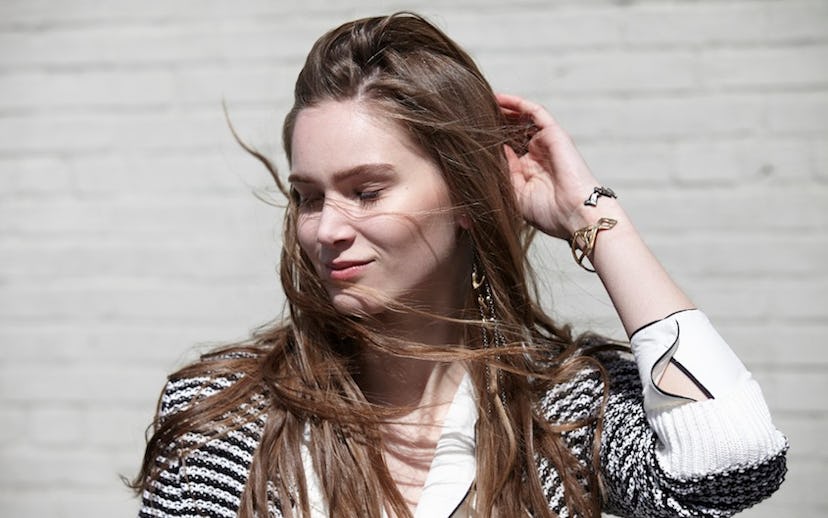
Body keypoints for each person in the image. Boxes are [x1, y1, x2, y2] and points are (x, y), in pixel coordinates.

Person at [132, 12, 787, 518]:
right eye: (308, 197)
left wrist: (594, 219)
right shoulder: (223, 413)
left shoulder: (564, 407)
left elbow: (731, 466)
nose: (326, 229)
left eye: (366, 191)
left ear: (467, 196)